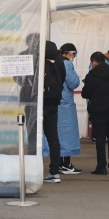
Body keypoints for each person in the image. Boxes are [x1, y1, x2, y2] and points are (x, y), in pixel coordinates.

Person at [42, 43, 82, 174]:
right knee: (66, 135)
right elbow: (74, 83)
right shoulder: (66, 64)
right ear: (70, 53)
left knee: (53, 135)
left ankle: (56, 164)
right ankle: (65, 164)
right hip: (65, 106)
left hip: (50, 101)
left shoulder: (47, 62)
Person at [82, 51, 109, 175]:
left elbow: (85, 94)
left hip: (98, 112)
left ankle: (101, 166)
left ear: (94, 62)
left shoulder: (91, 75)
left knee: (100, 140)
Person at [42, 41, 67, 183]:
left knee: (33, 138)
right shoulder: (59, 60)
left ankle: (31, 170)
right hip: (53, 102)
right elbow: (62, 78)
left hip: (38, 103)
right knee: (53, 138)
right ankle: (55, 171)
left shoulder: (37, 59)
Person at [14, 33, 40, 155]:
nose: (36, 43)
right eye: (34, 40)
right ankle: (31, 148)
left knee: (40, 123)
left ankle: (39, 147)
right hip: (28, 95)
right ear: (28, 42)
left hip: (41, 95)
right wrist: (27, 84)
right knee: (30, 122)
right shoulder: (22, 56)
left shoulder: (42, 55)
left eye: (38, 40)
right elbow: (16, 77)